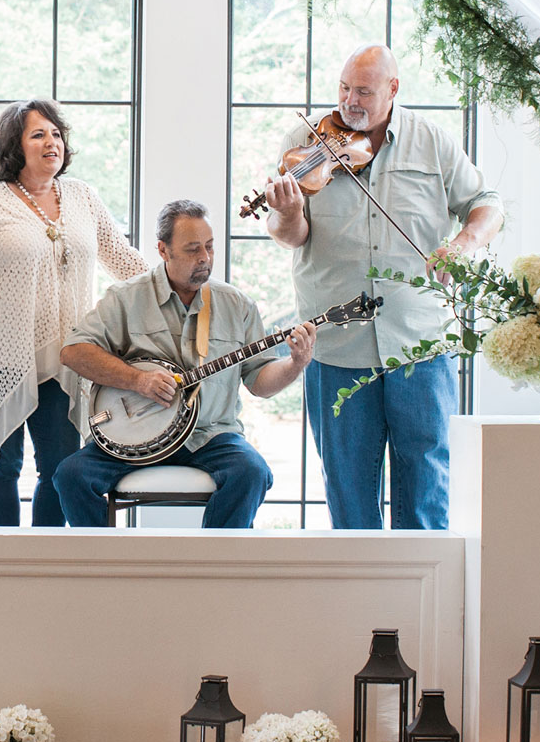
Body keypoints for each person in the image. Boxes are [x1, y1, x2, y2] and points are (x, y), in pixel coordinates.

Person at [260, 43, 501, 530]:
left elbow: (487, 202)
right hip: (337, 343)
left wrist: (463, 244)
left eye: (364, 92)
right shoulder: (306, 140)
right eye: (344, 88)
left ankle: (423, 580)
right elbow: (291, 236)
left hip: (420, 341)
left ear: (393, 88)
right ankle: (358, 581)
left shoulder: (431, 141)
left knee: (426, 483)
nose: (350, 101)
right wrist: (286, 212)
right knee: (347, 488)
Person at [0, 100, 148, 526]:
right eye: (38, 135)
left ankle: (43, 556)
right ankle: (2, 559)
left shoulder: (83, 197)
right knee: (0, 468)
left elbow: (122, 258)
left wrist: (171, 283)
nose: (52, 142)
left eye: (56, 134)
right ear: (15, 147)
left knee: (59, 468)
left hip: (66, 357)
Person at [54, 200, 316, 529]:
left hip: (210, 436)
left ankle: (212, 559)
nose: (204, 257)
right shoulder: (126, 297)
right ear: (163, 250)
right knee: (71, 476)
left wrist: (295, 363)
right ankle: (109, 561)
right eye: (193, 249)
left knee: (252, 473)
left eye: (209, 246)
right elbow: (74, 352)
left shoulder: (237, 305)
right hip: (133, 439)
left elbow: (259, 382)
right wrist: (137, 380)